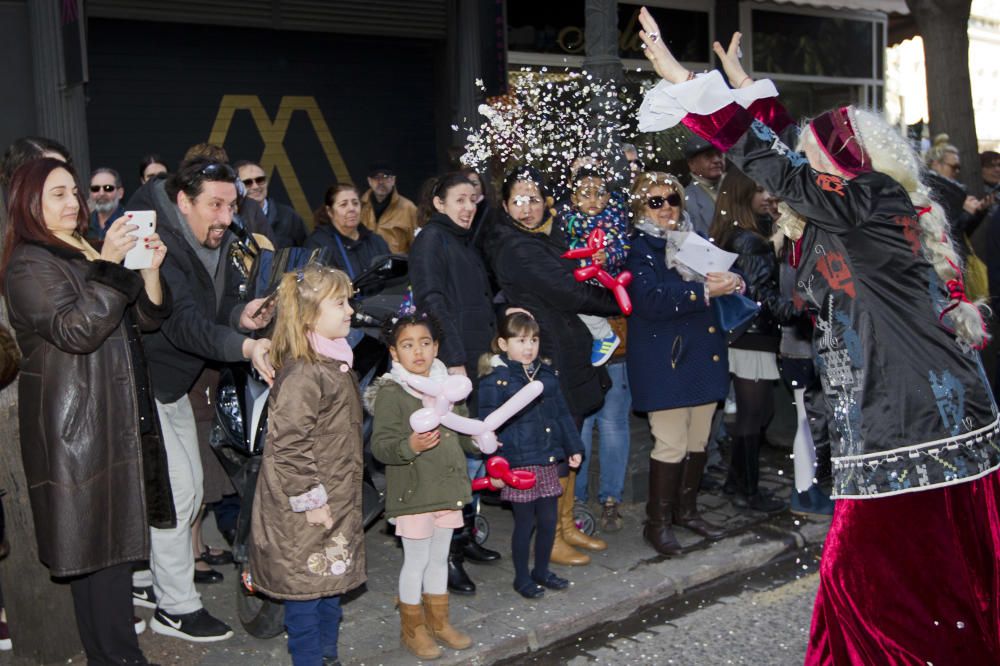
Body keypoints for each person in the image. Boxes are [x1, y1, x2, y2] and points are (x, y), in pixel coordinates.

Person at [636, 12, 1000, 662]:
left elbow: (789, 172)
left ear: (844, 167)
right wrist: (752, 94)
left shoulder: (872, 198)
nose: (797, 172)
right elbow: (791, 164)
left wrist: (690, 86)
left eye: (813, 159)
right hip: (895, 431)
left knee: (874, 599)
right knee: (929, 597)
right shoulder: (856, 215)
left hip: (914, 434)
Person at [2, 157, 175, 665]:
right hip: (77, 428)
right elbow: (77, 331)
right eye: (58, 193)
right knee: (98, 554)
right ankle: (118, 658)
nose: (73, 201)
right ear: (27, 202)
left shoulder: (80, 250)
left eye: (73, 192)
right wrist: (109, 262)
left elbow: (145, 318)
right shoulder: (29, 264)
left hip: (112, 418)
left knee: (114, 554)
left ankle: (118, 655)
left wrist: (147, 269)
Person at [133, 157, 274, 643]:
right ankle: (175, 607)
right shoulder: (158, 245)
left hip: (169, 386)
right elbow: (184, 324)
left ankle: (147, 581)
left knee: (185, 492)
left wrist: (242, 317)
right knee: (176, 495)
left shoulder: (217, 238)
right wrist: (246, 347)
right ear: (182, 201)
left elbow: (213, 310)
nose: (225, 217)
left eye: (231, 205)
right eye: (214, 205)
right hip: (141, 384)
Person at [483, 165, 617, 565]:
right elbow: (567, 290)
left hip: (567, 351)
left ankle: (566, 525)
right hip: (546, 357)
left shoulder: (548, 237)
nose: (527, 209)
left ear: (548, 204)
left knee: (570, 441)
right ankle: (550, 536)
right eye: (518, 201)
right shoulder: (516, 245)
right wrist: (617, 302)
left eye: (534, 200)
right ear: (506, 206)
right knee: (552, 449)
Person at [248, 265, 366, 666]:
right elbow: (287, 444)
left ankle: (328, 656)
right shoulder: (306, 372)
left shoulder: (333, 361)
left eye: (349, 300)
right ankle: (310, 660)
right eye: (340, 303)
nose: (350, 310)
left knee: (330, 583)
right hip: (307, 507)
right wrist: (309, 498)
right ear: (310, 315)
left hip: (334, 496)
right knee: (305, 594)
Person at [625, 170, 737, 555]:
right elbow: (649, 299)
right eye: (655, 201)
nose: (666, 208)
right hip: (666, 362)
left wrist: (733, 282)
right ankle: (656, 523)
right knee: (671, 444)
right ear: (641, 206)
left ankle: (686, 512)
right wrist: (703, 290)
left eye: (672, 199)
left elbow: (720, 277)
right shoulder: (637, 248)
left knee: (698, 440)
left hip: (702, 356)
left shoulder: (695, 240)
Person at [408, 171, 498, 593]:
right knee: (455, 465)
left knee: (473, 455)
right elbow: (432, 301)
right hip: (455, 368)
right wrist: (456, 360)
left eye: (473, 200)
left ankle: (464, 537)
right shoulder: (431, 239)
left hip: (476, 361)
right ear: (439, 203)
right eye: (459, 200)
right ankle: (446, 557)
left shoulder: (460, 240)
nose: (468, 208)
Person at [370, 313, 477, 660]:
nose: (418, 351)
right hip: (414, 493)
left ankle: (439, 621)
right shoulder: (393, 391)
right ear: (394, 352)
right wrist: (410, 446)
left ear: (437, 348)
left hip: (446, 490)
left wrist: (479, 441)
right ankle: (412, 628)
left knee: (439, 558)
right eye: (407, 344)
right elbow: (381, 446)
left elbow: (460, 431)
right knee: (415, 562)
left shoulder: (448, 386)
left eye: (425, 343)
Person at [479, 312, 583, 598]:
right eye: (521, 340)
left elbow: (561, 414)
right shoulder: (495, 381)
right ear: (503, 343)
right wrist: (494, 467)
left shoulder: (546, 375)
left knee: (549, 520)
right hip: (518, 463)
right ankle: (522, 577)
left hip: (547, 457)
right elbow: (486, 428)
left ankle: (542, 570)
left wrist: (574, 447)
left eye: (534, 340)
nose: (529, 347)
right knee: (526, 522)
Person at [708, 169, 791, 514]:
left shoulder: (732, 234)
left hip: (741, 334)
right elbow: (762, 294)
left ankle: (737, 483)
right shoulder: (750, 239)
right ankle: (747, 490)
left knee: (751, 413)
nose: (767, 194)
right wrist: (796, 310)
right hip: (753, 335)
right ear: (742, 195)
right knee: (753, 415)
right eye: (758, 190)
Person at [558, 164, 630, 366]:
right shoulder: (568, 222)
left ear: (607, 197)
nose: (592, 200)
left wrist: (608, 256)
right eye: (585, 194)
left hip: (603, 278)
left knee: (579, 302)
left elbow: (623, 248)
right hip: (579, 274)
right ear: (574, 199)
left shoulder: (612, 222)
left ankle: (605, 335)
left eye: (598, 194)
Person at [307, 184, 390, 280]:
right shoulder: (318, 244)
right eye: (343, 204)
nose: (351, 209)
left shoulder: (376, 241)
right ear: (329, 211)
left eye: (355, 203)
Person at [236, 160, 308, 249]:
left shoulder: (289, 216)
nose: (255, 186)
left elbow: (306, 252)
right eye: (247, 182)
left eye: (260, 180)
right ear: (236, 186)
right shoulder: (230, 218)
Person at [360, 162, 418, 253]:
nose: (381, 182)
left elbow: (418, 246)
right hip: (366, 265)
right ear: (369, 181)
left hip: (397, 265)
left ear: (393, 180)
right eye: (376, 178)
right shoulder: (360, 207)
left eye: (385, 177)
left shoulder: (408, 209)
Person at [683, 135, 725, 236]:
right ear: (692, 164)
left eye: (719, 154)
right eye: (708, 156)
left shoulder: (737, 187)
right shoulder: (685, 200)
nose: (716, 160)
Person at [87, 167, 127, 240]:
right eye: (95, 188)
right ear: (90, 193)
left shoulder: (130, 223)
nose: (101, 193)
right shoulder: (83, 226)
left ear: (120, 193)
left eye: (108, 188)